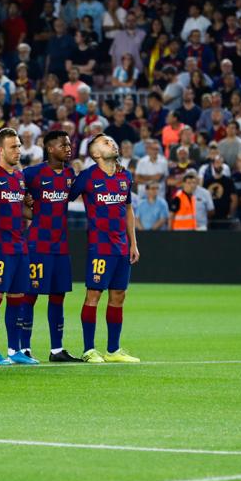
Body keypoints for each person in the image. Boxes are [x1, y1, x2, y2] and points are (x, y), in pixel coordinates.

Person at [68, 134, 140, 363]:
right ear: (96, 153)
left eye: (112, 140)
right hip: (99, 247)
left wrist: (133, 243)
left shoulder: (124, 176)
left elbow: (128, 210)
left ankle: (113, 350)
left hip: (121, 247)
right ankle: (89, 349)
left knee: (119, 295)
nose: (112, 143)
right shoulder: (88, 176)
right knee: (94, 295)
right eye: (106, 142)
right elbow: (64, 197)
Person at [22, 130, 80, 362]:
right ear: (50, 149)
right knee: (30, 295)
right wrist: (30, 212)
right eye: (63, 145)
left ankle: (57, 350)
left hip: (61, 246)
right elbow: (13, 194)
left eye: (69, 144)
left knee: (58, 296)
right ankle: (23, 349)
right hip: (38, 245)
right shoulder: (34, 173)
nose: (68, 148)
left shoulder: (69, 173)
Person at [0, 128, 34, 365]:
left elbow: (19, 208)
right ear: (0, 150)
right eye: (13, 146)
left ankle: (15, 350)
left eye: (20, 146)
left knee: (18, 297)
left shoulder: (20, 177)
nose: (18, 150)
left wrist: (33, 209)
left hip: (19, 245)